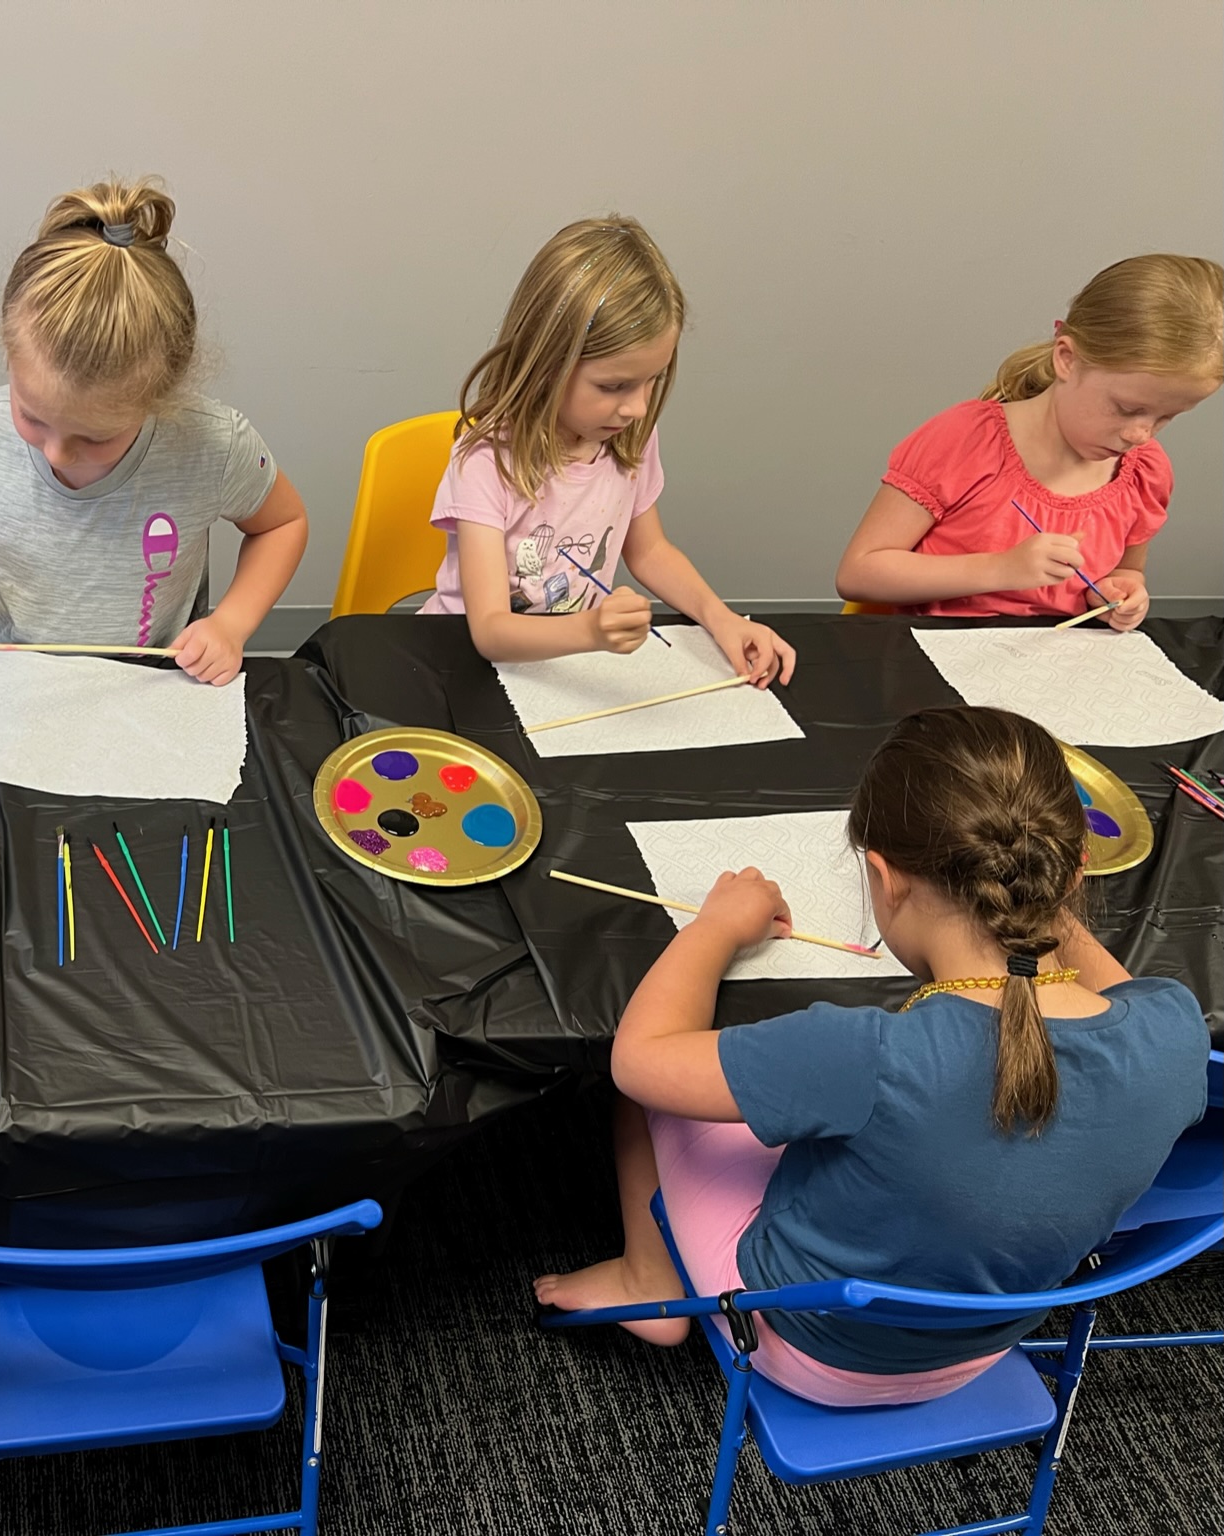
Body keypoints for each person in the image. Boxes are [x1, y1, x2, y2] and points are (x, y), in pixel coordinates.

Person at [534, 706, 1210, 1406]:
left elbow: (640, 1058)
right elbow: (1102, 993)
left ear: (885, 878)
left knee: (643, 1099)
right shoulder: (1175, 1031)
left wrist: (714, 927)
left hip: (807, 1345)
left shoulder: (869, 1055)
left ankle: (646, 1277)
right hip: (981, 1347)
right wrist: (1035, 895)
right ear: (1073, 874)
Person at [0, 177, 309, 685]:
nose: (57, 453)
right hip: (8, 683)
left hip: (147, 682)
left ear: (160, 397)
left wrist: (231, 623)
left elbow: (281, 524)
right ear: (8, 359)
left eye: (95, 438)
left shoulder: (210, 445)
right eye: (32, 417)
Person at [419, 215, 792, 685]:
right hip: (463, 667)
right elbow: (491, 631)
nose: (638, 408)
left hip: (564, 666)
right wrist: (591, 630)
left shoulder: (628, 439)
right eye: (614, 386)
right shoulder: (487, 462)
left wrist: (723, 619)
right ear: (546, 364)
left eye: (652, 380)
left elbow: (650, 551)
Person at [836, 254, 1222, 623]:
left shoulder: (1144, 472)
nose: (1140, 434)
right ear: (1067, 358)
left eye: (1167, 417)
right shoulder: (964, 442)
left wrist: (1120, 593)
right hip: (941, 653)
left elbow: (1126, 571)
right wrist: (1000, 568)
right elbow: (859, 573)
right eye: (1125, 408)